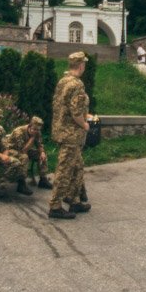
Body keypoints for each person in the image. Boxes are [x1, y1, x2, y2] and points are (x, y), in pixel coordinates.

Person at [49, 51, 91, 219]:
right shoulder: (76, 85)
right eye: (84, 64)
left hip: (62, 131)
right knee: (65, 169)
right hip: (71, 135)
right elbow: (76, 112)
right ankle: (55, 206)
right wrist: (85, 124)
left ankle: (73, 200)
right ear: (81, 65)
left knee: (77, 166)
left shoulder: (63, 81)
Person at [5, 115, 52, 189]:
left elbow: (39, 144)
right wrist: (32, 138)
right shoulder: (19, 132)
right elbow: (23, 150)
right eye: (34, 129)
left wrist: (42, 152)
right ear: (29, 126)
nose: (36, 131)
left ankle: (43, 179)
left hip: (24, 149)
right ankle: (21, 183)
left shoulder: (37, 132)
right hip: (11, 150)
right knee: (24, 157)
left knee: (42, 154)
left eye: (38, 130)